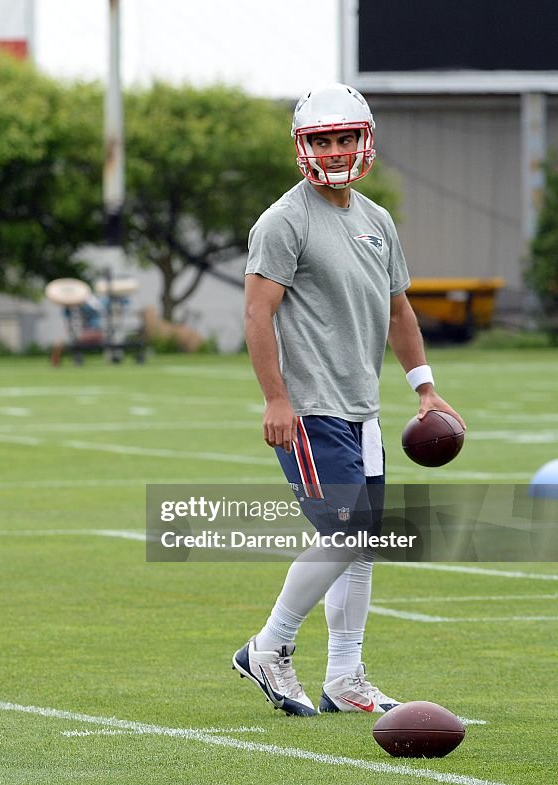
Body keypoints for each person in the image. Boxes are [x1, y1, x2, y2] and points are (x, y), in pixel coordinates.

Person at [232, 83, 465, 716]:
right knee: (346, 529)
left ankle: (345, 675)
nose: (333, 151)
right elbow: (257, 313)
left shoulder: (376, 220)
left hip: (363, 410)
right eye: (321, 140)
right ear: (303, 147)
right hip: (310, 409)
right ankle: (269, 648)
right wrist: (275, 399)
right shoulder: (283, 221)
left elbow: (397, 311)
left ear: (364, 140)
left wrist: (425, 388)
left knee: (364, 543)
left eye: (343, 138)